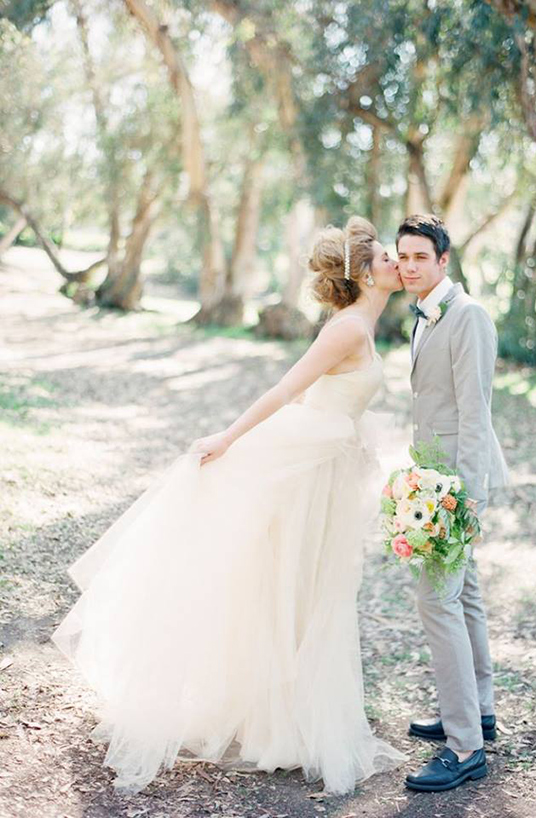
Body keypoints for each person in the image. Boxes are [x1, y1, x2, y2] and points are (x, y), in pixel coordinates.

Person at [51, 216, 407, 795]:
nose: (396, 263)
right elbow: (286, 389)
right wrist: (228, 437)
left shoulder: (364, 327)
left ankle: (282, 712)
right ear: (366, 274)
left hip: (326, 469)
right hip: (301, 468)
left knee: (307, 587)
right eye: (388, 257)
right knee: (279, 582)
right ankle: (271, 720)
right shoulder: (345, 330)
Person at [396, 214, 509, 793]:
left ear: (444, 260)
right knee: (464, 599)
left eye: (421, 257)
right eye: (403, 257)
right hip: (430, 480)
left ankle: (463, 747)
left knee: (435, 602)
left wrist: (462, 498)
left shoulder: (468, 316)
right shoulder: (422, 315)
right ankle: (478, 711)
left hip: (454, 491)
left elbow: (474, 413)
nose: (410, 266)